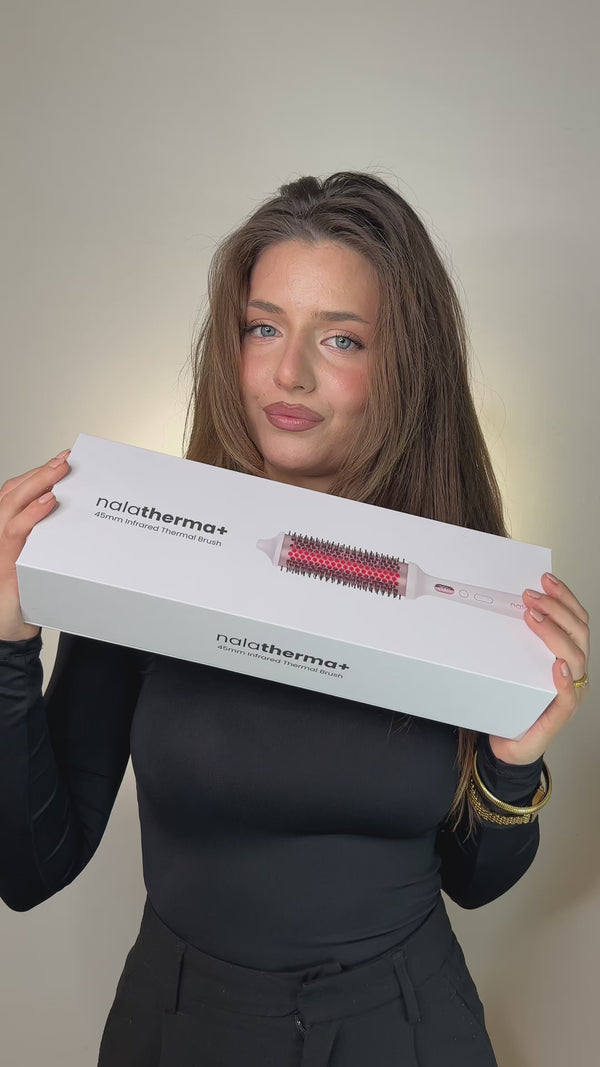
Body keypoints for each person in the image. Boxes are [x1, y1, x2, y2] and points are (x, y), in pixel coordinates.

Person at [0, 172, 590, 1067]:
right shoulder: (143, 558)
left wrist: (514, 765)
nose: (289, 374)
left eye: (342, 338)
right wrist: (6, 647)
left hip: (408, 1027)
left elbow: (476, 881)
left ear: (404, 366)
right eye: (263, 327)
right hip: (180, 1027)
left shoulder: (461, 584)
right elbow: (29, 869)